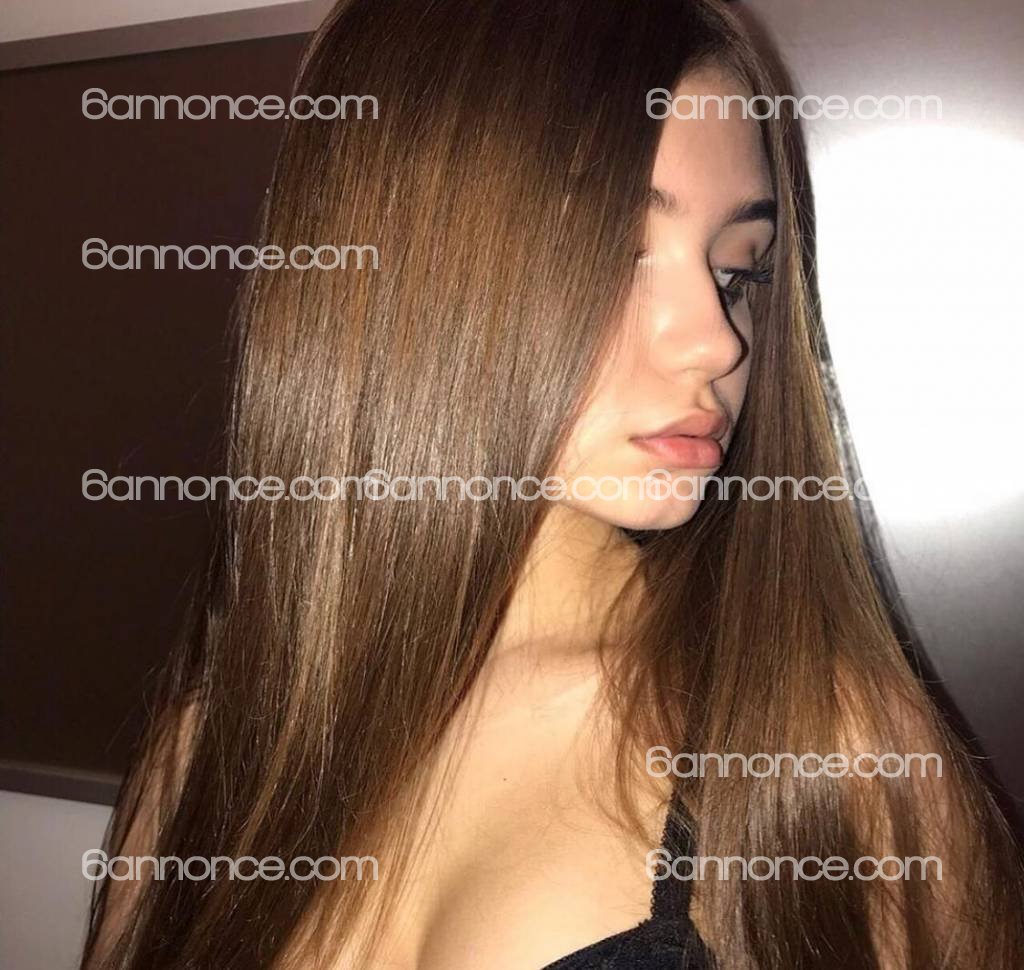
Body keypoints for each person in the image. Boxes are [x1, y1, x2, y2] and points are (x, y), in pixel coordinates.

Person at [83, 1, 1024, 967]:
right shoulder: (207, 753)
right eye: (618, 252)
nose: (716, 341)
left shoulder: (828, 754)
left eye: (740, 271)